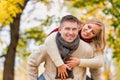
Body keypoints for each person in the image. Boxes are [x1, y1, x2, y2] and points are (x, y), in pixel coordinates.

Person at [27, 15, 94, 80]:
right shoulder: (47, 47)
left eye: (74, 29)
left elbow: (95, 68)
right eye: (67, 29)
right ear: (60, 30)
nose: (71, 32)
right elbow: (32, 62)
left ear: (78, 30)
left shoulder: (86, 49)